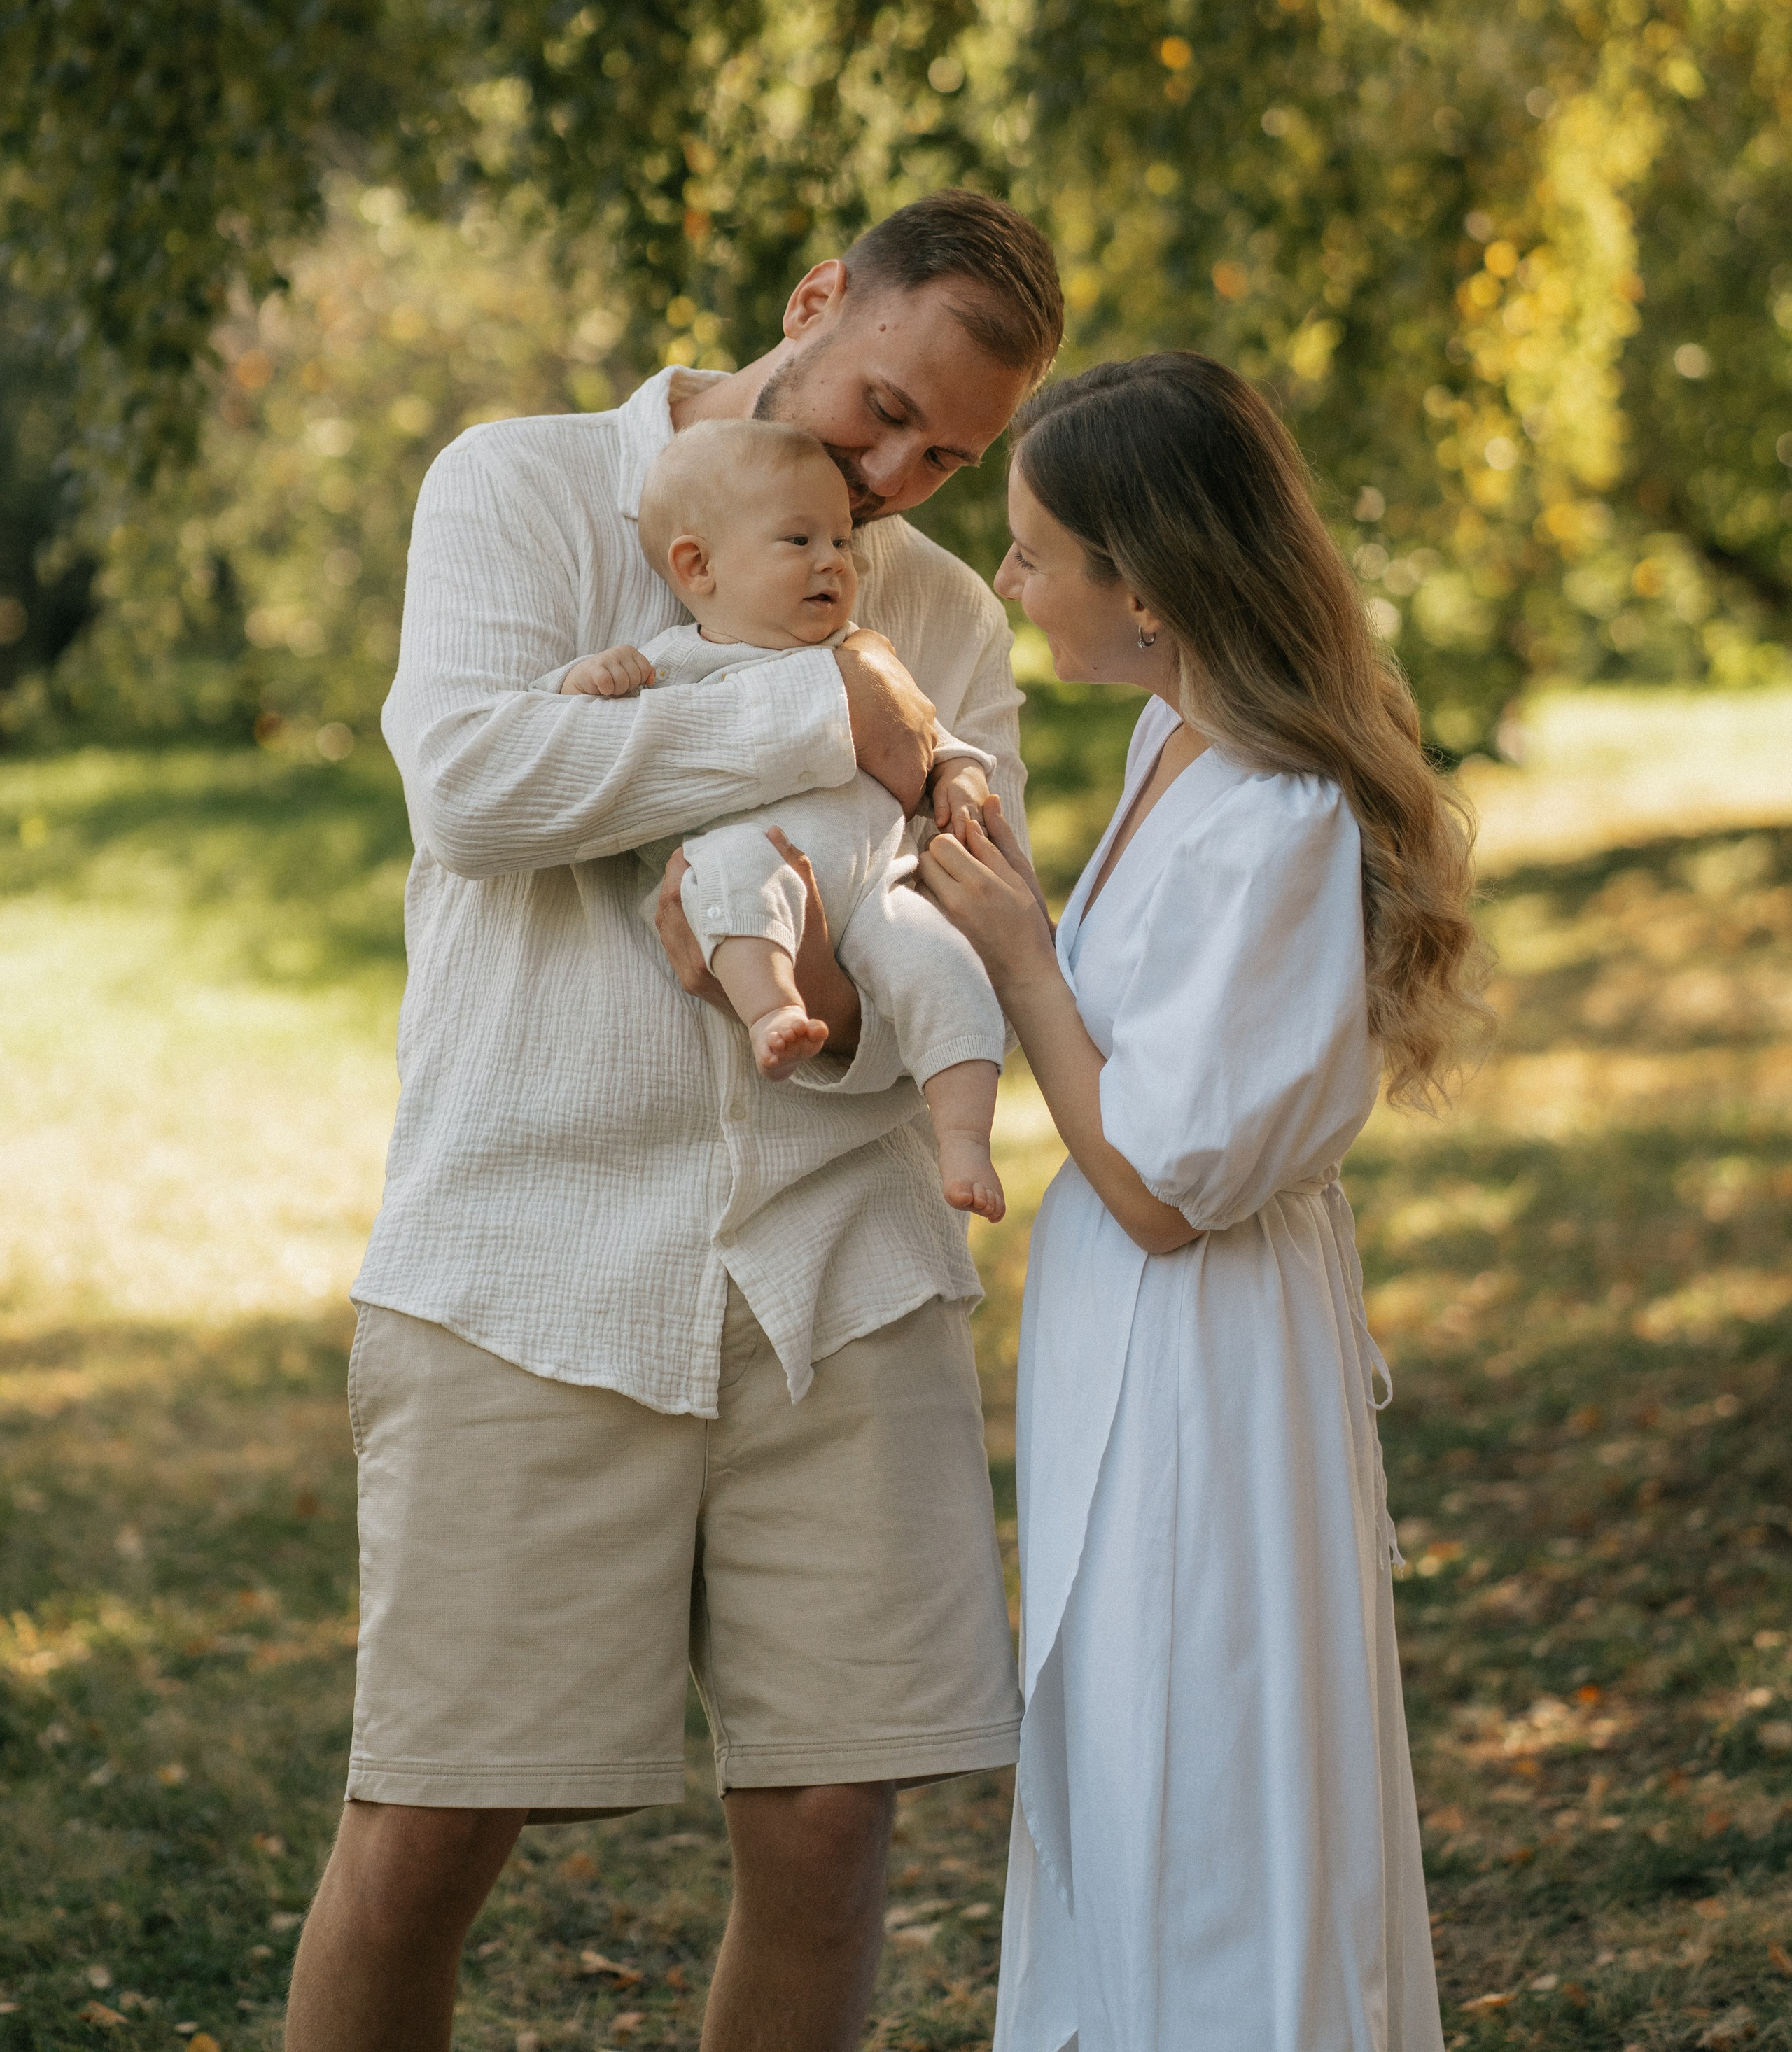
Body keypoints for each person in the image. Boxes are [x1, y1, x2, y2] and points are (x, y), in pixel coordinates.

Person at [284, 190, 1062, 2052]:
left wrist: (834, 986)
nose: (892, 481)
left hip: (844, 1277)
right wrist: (829, 720)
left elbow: (970, 925)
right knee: (430, 1826)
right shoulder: (518, 485)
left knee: (831, 1831)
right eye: (882, 410)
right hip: (523, 1263)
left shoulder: (946, 615)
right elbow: (475, 786)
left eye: (947, 460)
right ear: (814, 300)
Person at [920, 353, 1489, 2052]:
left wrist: (1020, 956)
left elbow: (1167, 1186)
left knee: (1206, 1762)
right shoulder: (1168, 736)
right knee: (1120, 1745)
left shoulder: (1277, 815)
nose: (1004, 580)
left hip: (1206, 1348)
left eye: (1033, 553)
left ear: (1147, 586)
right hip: (1122, 1324)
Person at [558, 416, 1007, 1216]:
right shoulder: (677, 661)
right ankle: (774, 1011)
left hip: (877, 891)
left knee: (947, 970)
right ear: (698, 566)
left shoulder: (866, 653)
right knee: (728, 871)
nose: (833, 560)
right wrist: (588, 676)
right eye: (799, 540)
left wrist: (961, 777)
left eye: (841, 542)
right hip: (758, 860)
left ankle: (966, 1139)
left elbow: (936, 739)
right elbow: (572, 739)